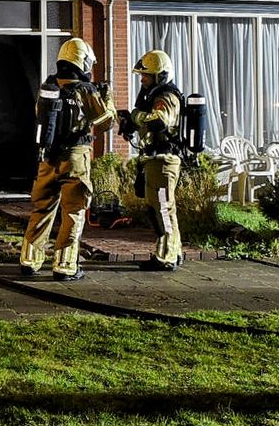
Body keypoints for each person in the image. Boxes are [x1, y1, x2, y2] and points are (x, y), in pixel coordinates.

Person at [20, 38, 116, 281]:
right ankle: (65, 265)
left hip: (47, 158)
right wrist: (108, 99)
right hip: (75, 157)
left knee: (42, 207)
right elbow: (106, 121)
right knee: (74, 210)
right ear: (81, 61)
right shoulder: (86, 90)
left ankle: (30, 260)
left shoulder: (48, 87)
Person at [119, 49, 185, 271]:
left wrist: (135, 116)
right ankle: (171, 250)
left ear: (160, 76)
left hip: (164, 161)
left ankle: (167, 256)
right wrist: (129, 122)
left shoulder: (167, 97)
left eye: (146, 75)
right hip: (153, 160)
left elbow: (158, 121)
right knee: (155, 208)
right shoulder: (153, 97)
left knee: (164, 209)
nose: (142, 79)